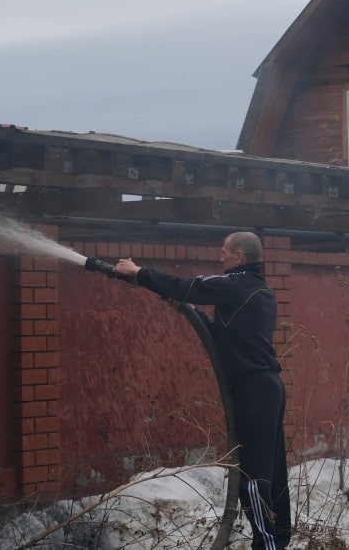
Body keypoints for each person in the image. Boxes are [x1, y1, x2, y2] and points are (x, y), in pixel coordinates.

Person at [113, 232, 290, 550]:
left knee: (253, 475)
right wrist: (187, 310)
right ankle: (278, 539)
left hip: (255, 390)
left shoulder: (239, 284)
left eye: (224, 252)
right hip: (265, 387)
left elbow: (189, 285)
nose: (219, 257)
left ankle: (269, 545)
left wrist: (139, 274)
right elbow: (223, 339)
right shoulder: (254, 290)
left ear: (238, 256)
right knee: (271, 472)